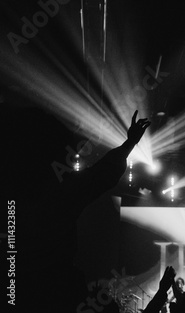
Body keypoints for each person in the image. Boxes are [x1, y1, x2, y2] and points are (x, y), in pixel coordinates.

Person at [10, 108, 151, 312]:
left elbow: (98, 175)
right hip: (54, 292)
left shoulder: (18, 196)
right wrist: (130, 143)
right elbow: (100, 175)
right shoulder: (56, 195)